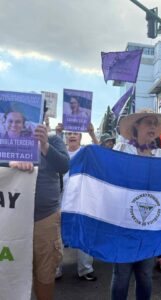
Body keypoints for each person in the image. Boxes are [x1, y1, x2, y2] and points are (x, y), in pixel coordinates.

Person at [8, 104, 69, 300]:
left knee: (44, 271)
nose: (17, 124)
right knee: (13, 272)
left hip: (45, 219)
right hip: (12, 220)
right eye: (13, 121)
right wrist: (11, 163)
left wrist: (44, 146)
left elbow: (64, 166)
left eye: (22, 120)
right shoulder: (5, 144)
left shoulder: (54, 140)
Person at [111, 109, 161, 300]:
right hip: (124, 225)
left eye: (155, 123)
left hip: (149, 225)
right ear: (136, 126)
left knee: (145, 276)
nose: (153, 126)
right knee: (121, 277)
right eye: (148, 122)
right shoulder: (122, 150)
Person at [55, 131, 97, 282]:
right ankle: (56, 269)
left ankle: (85, 269)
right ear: (65, 136)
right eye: (69, 133)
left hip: (81, 200)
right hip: (60, 198)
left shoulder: (86, 152)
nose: (72, 136)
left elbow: (102, 155)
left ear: (80, 137)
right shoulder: (60, 152)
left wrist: (92, 133)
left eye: (75, 133)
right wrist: (56, 133)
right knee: (57, 235)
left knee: (84, 233)